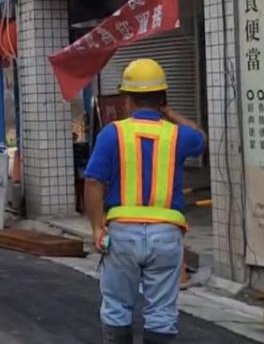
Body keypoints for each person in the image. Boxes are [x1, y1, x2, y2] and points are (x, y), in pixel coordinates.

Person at [83, 59, 206, 344]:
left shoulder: (112, 133)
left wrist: (97, 228)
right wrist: (170, 113)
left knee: (116, 307)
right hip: (166, 233)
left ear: (127, 100)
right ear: (162, 97)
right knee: (161, 311)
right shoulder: (177, 135)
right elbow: (201, 137)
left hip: (123, 234)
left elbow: (93, 182)